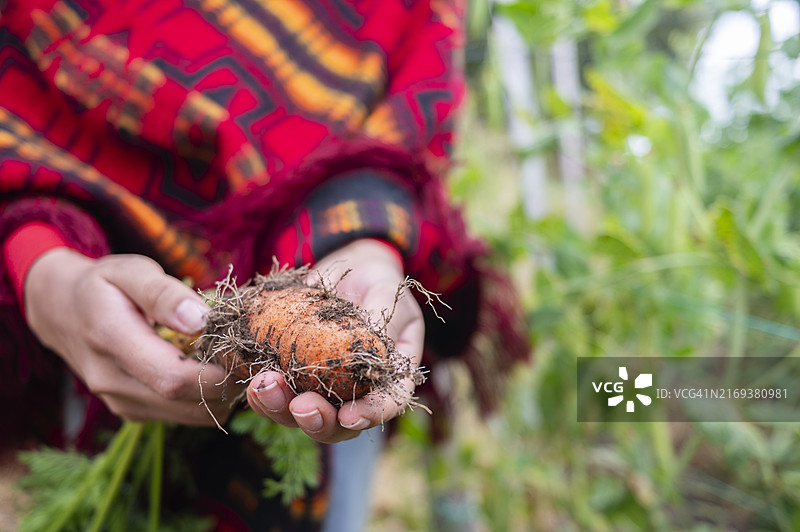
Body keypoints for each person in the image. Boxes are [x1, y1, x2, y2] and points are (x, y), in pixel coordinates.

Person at [0, 0, 529, 530]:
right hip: (100, 317)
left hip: (327, 291)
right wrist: (44, 270)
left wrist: (367, 242)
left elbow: (405, 105)